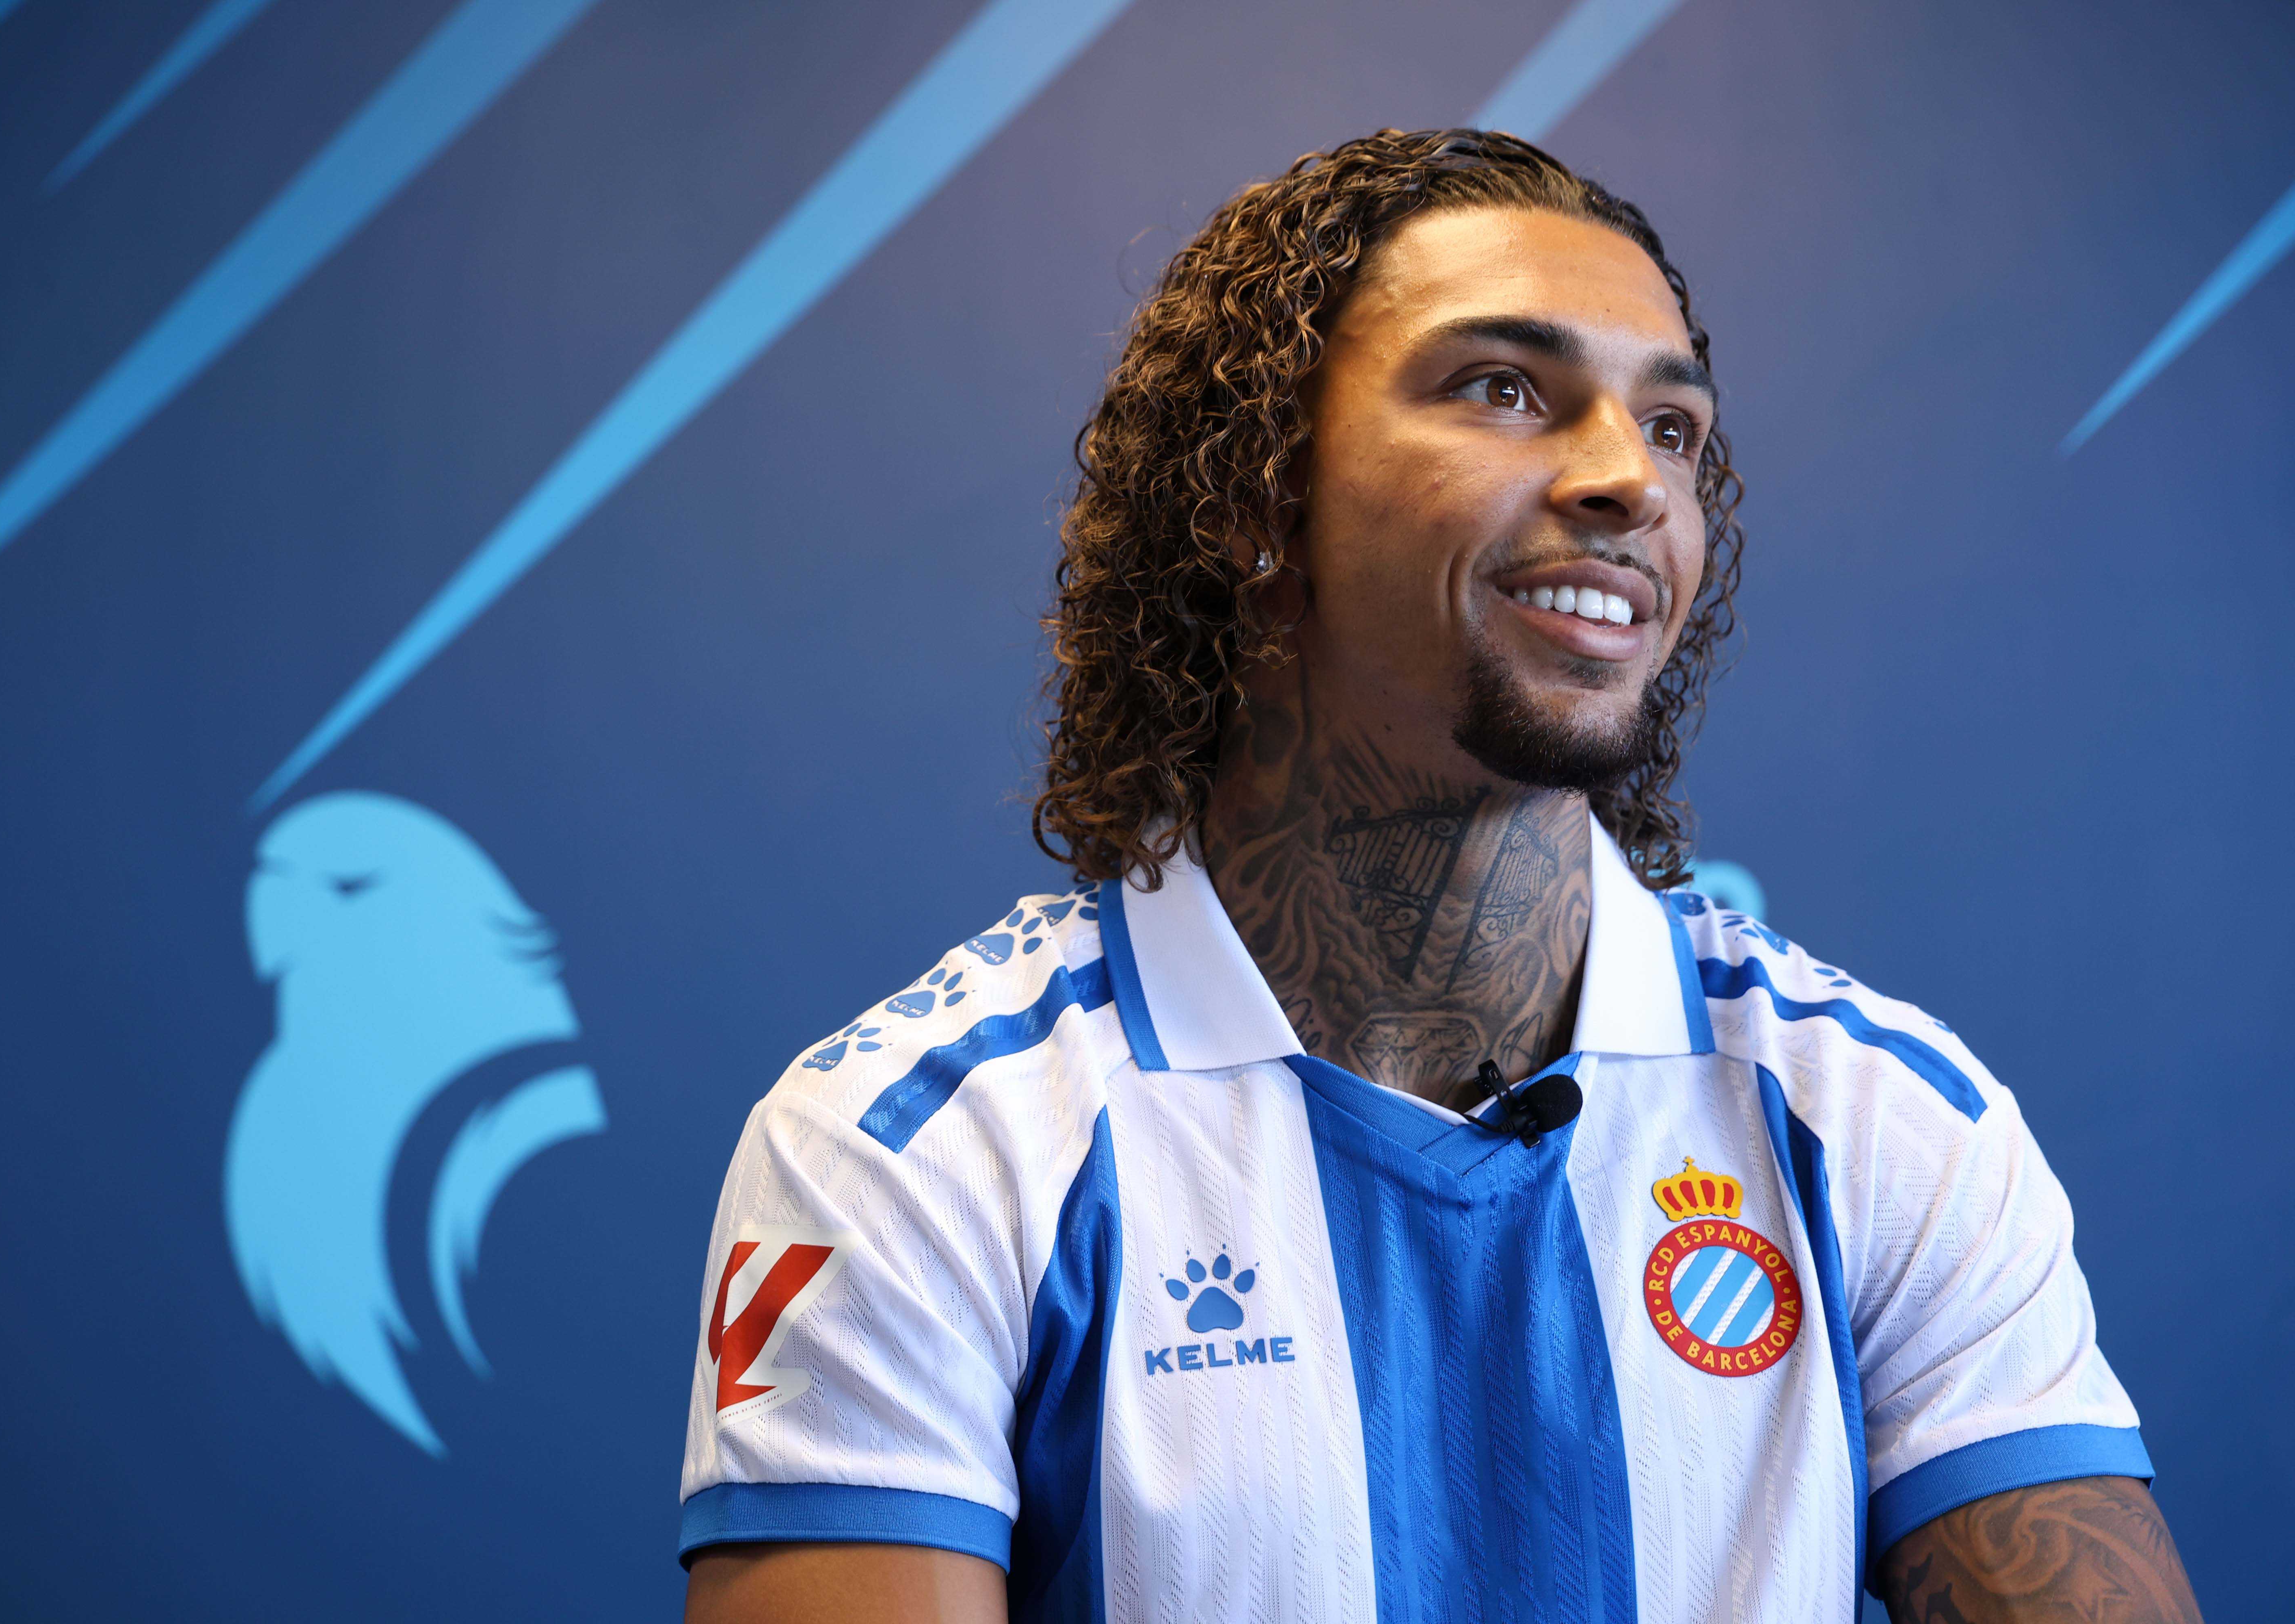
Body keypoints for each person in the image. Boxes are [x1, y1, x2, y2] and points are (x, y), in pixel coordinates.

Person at [676, 130, 2202, 1623]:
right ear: (1252, 492)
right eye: (1505, 390)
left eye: (1673, 427)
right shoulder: (919, 1153)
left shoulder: (1878, 1120)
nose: (1632, 479)